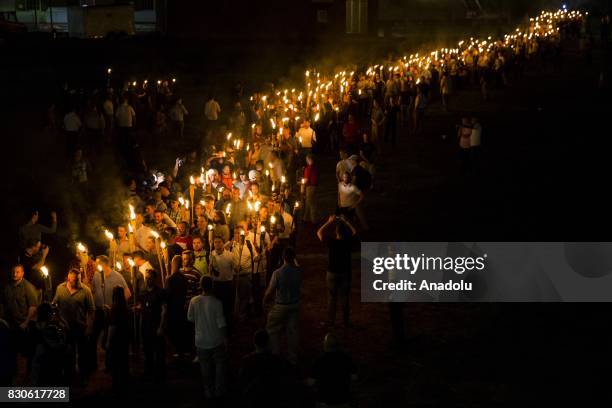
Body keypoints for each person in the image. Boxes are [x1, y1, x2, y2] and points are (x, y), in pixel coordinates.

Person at [187, 276, 228, 399]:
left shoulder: (194, 301)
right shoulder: (217, 303)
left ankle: (208, 390)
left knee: (205, 367)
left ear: (201, 286)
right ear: (212, 286)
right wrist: (226, 339)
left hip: (201, 340)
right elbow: (221, 323)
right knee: (219, 366)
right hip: (216, 340)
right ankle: (219, 391)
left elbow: (190, 318)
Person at [52, 268, 95, 383]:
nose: (76, 282)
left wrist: (89, 327)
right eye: (74, 280)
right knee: (67, 354)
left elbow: (91, 310)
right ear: (69, 278)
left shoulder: (86, 291)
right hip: (64, 328)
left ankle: (83, 377)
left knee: (82, 355)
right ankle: (68, 377)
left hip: (80, 328)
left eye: (78, 280)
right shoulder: (60, 288)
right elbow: (54, 305)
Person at [263, 247, 302, 364]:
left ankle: (275, 353)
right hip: (295, 304)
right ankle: (292, 357)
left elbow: (270, 290)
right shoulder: (299, 271)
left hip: (281, 305)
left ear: (283, 257)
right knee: (293, 331)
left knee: (272, 328)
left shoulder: (278, 273)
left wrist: (264, 299)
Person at [317, 215, 357, 327]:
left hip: (332, 273)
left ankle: (331, 321)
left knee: (331, 298)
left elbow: (319, 232)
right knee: (344, 298)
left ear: (336, 231)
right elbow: (355, 232)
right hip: (344, 273)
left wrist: (329, 222)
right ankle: (346, 322)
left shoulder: (331, 241)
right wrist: (347, 222)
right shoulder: (347, 242)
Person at [3, 264, 39, 380]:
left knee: (26, 353)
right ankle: (13, 375)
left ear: (22, 273)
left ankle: (27, 376)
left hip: (24, 325)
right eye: (13, 272)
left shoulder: (28, 287)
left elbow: (33, 306)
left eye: (17, 272)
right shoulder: (7, 287)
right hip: (10, 325)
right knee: (11, 351)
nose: (14, 274)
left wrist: (26, 322)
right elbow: (4, 304)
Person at [308, 333, 357, 407]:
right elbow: (354, 378)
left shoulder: (320, 360)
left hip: (324, 401)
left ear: (325, 345)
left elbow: (310, 382)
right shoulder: (346, 359)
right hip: (343, 400)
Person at [140, 269, 167, 382]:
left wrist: (161, 326)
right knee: (147, 351)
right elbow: (143, 307)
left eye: (150, 278)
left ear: (154, 279)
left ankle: (160, 374)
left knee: (159, 351)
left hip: (156, 326)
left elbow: (164, 310)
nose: (147, 280)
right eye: (146, 278)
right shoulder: (144, 292)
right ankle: (149, 371)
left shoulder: (160, 292)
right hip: (146, 326)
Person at [106, 287, 130, 394]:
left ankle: (116, 387)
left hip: (116, 340)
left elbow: (112, 326)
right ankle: (125, 384)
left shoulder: (115, 309)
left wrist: (108, 341)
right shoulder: (125, 308)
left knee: (116, 364)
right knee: (124, 362)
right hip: (124, 338)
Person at [209, 237, 235, 331]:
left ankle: (229, 327)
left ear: (223, 243)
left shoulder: (230, 255)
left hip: (227, 284)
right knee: (217, 306)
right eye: (215, 242)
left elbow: (235, 268)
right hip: (216, 284)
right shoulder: (211, 254)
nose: (217, 244)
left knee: (227, 307)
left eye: (219, 242)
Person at [302, 154, 318, 224]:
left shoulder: (308, 168)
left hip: (310, 187)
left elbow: (306, 180)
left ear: (309, 159)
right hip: (315, 187)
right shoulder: (315, 167)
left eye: (306, 159)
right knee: (308, 203)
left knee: (311, 204)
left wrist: (301, 183)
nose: (306, 161)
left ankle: (313, 220)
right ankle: (305, 218)